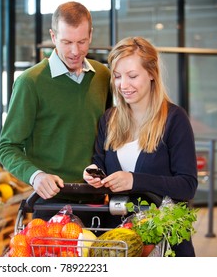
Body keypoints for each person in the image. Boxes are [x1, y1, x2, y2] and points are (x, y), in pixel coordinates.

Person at [0, 1, 112, 226]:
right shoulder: (30, 82)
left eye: (82, 41)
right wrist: (36, 176)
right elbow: (7, 147)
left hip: (98, 200)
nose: (75, 51)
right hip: (50, 203)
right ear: (53, 36)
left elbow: (111, 136)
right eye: (67, 42)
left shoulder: (103, 76)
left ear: (91, 34)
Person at [83, 36, 198, 256]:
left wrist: (134, 180)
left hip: (165, 242)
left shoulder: (174, 119)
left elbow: (188, 185)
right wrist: (93, 172)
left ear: (152, 74)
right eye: (117, 76)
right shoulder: (109, 119)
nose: (123, 85)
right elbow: (99, 161)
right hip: (120, 242)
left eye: (132, 76)